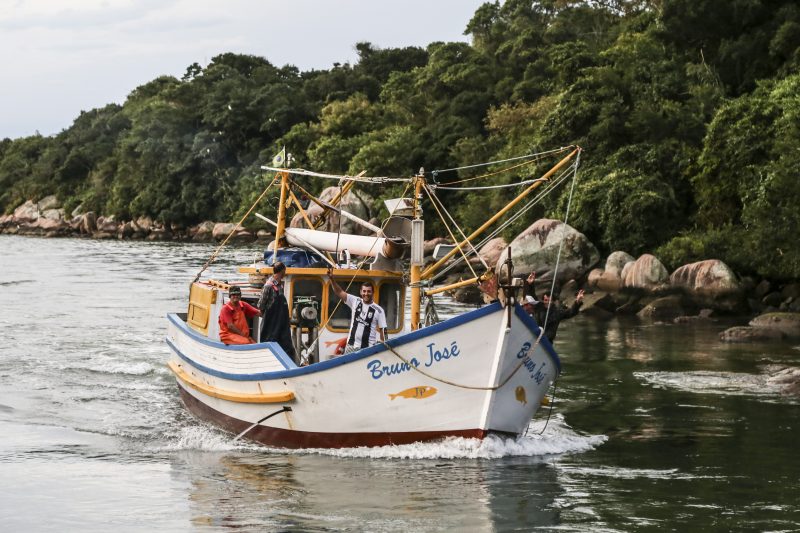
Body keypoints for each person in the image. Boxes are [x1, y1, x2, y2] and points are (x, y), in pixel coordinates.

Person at [327, 267, 387, 354]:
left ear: (373, 292)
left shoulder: (379, 310)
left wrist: (383, 347)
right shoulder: (355, 301)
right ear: (361, 292)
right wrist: (332, 279)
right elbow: (339, 292)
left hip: (368, 349)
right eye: (364, 291)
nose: (366, 294)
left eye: (369, 291)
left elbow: (383, 331)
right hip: (351, 347)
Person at [525, 271, 584, 342]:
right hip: (533, 338)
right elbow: (531, 297)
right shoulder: (538, 306)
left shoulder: (558, 312)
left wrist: (577, 301)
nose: (546, 301)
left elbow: (571, 312)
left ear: (553, 301)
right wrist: (530, 284)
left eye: (548, 299)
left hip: (547, 342)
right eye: (545, 300)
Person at [258, 261, 295, 358]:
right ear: (282, 271)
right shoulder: (268, 286)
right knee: (270, 349)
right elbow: (261, 305)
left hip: (282, 326)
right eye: (284, 271)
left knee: (287, 348)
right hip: (271, 326)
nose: (285, 273)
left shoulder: (280, 285)